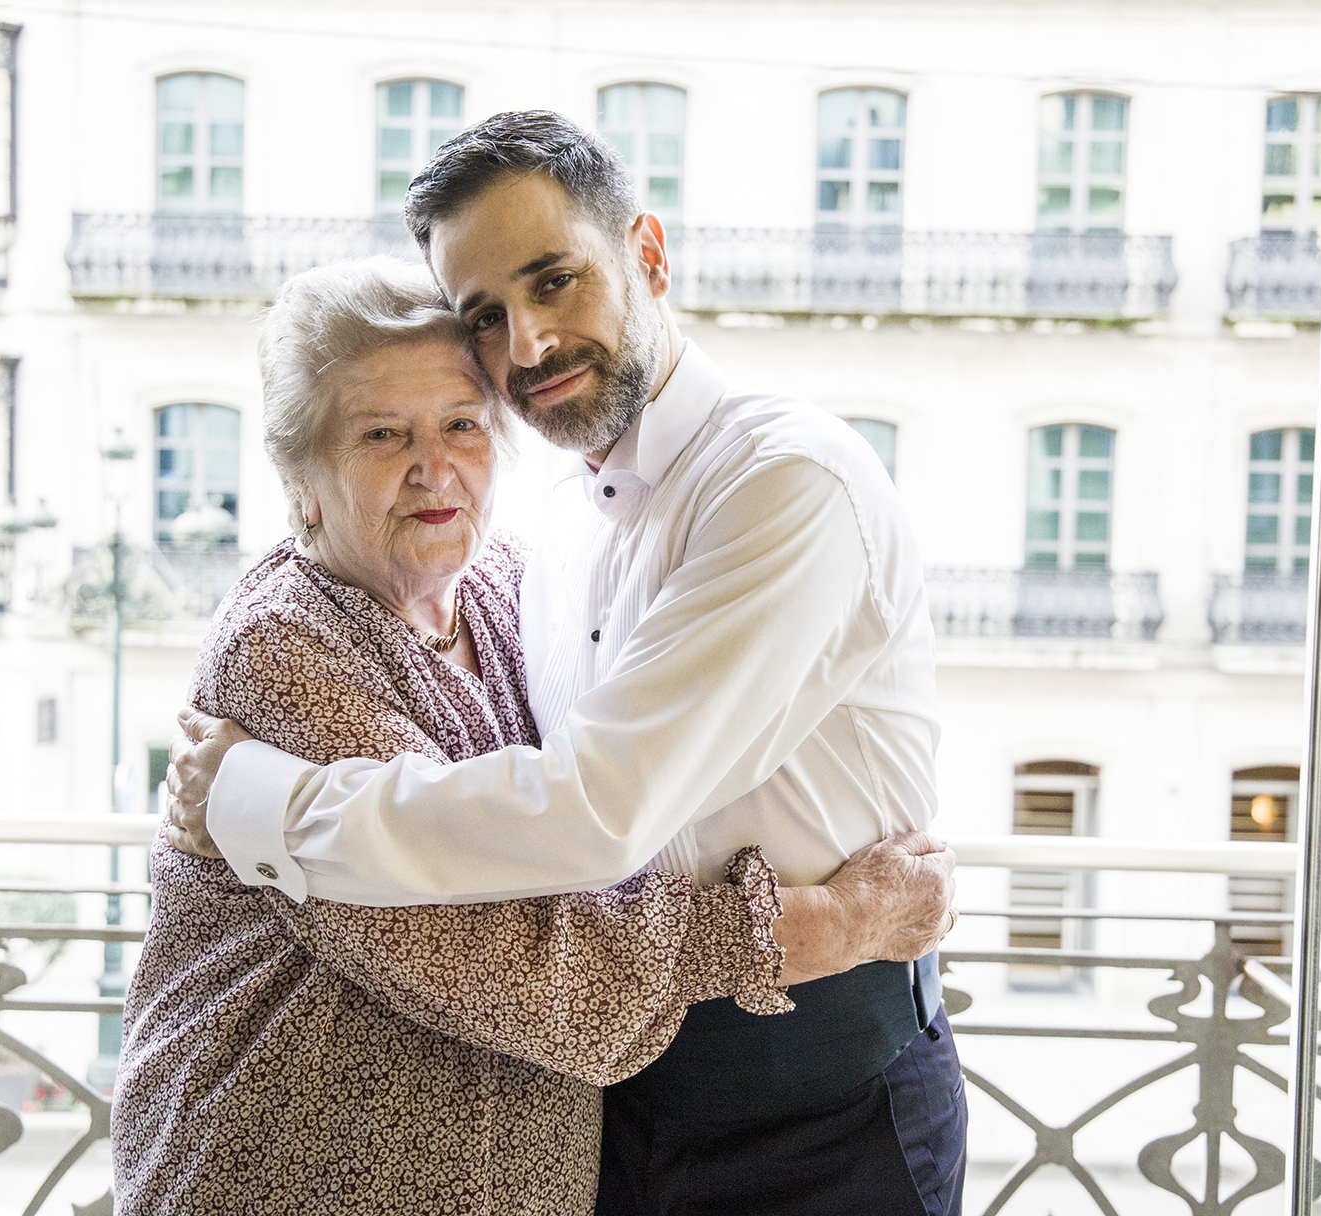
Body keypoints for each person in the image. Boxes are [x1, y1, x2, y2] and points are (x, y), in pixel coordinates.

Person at [165, 109, 968, 1214]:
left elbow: (593, 810)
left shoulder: (786, 482)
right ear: (299, 470)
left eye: (556, 282)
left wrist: (261, 803)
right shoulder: (549, 520)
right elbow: (498, 885)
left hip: (817, 1104)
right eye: (485, 316)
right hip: (616, 1097)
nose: (528, 347)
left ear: (648, 255)